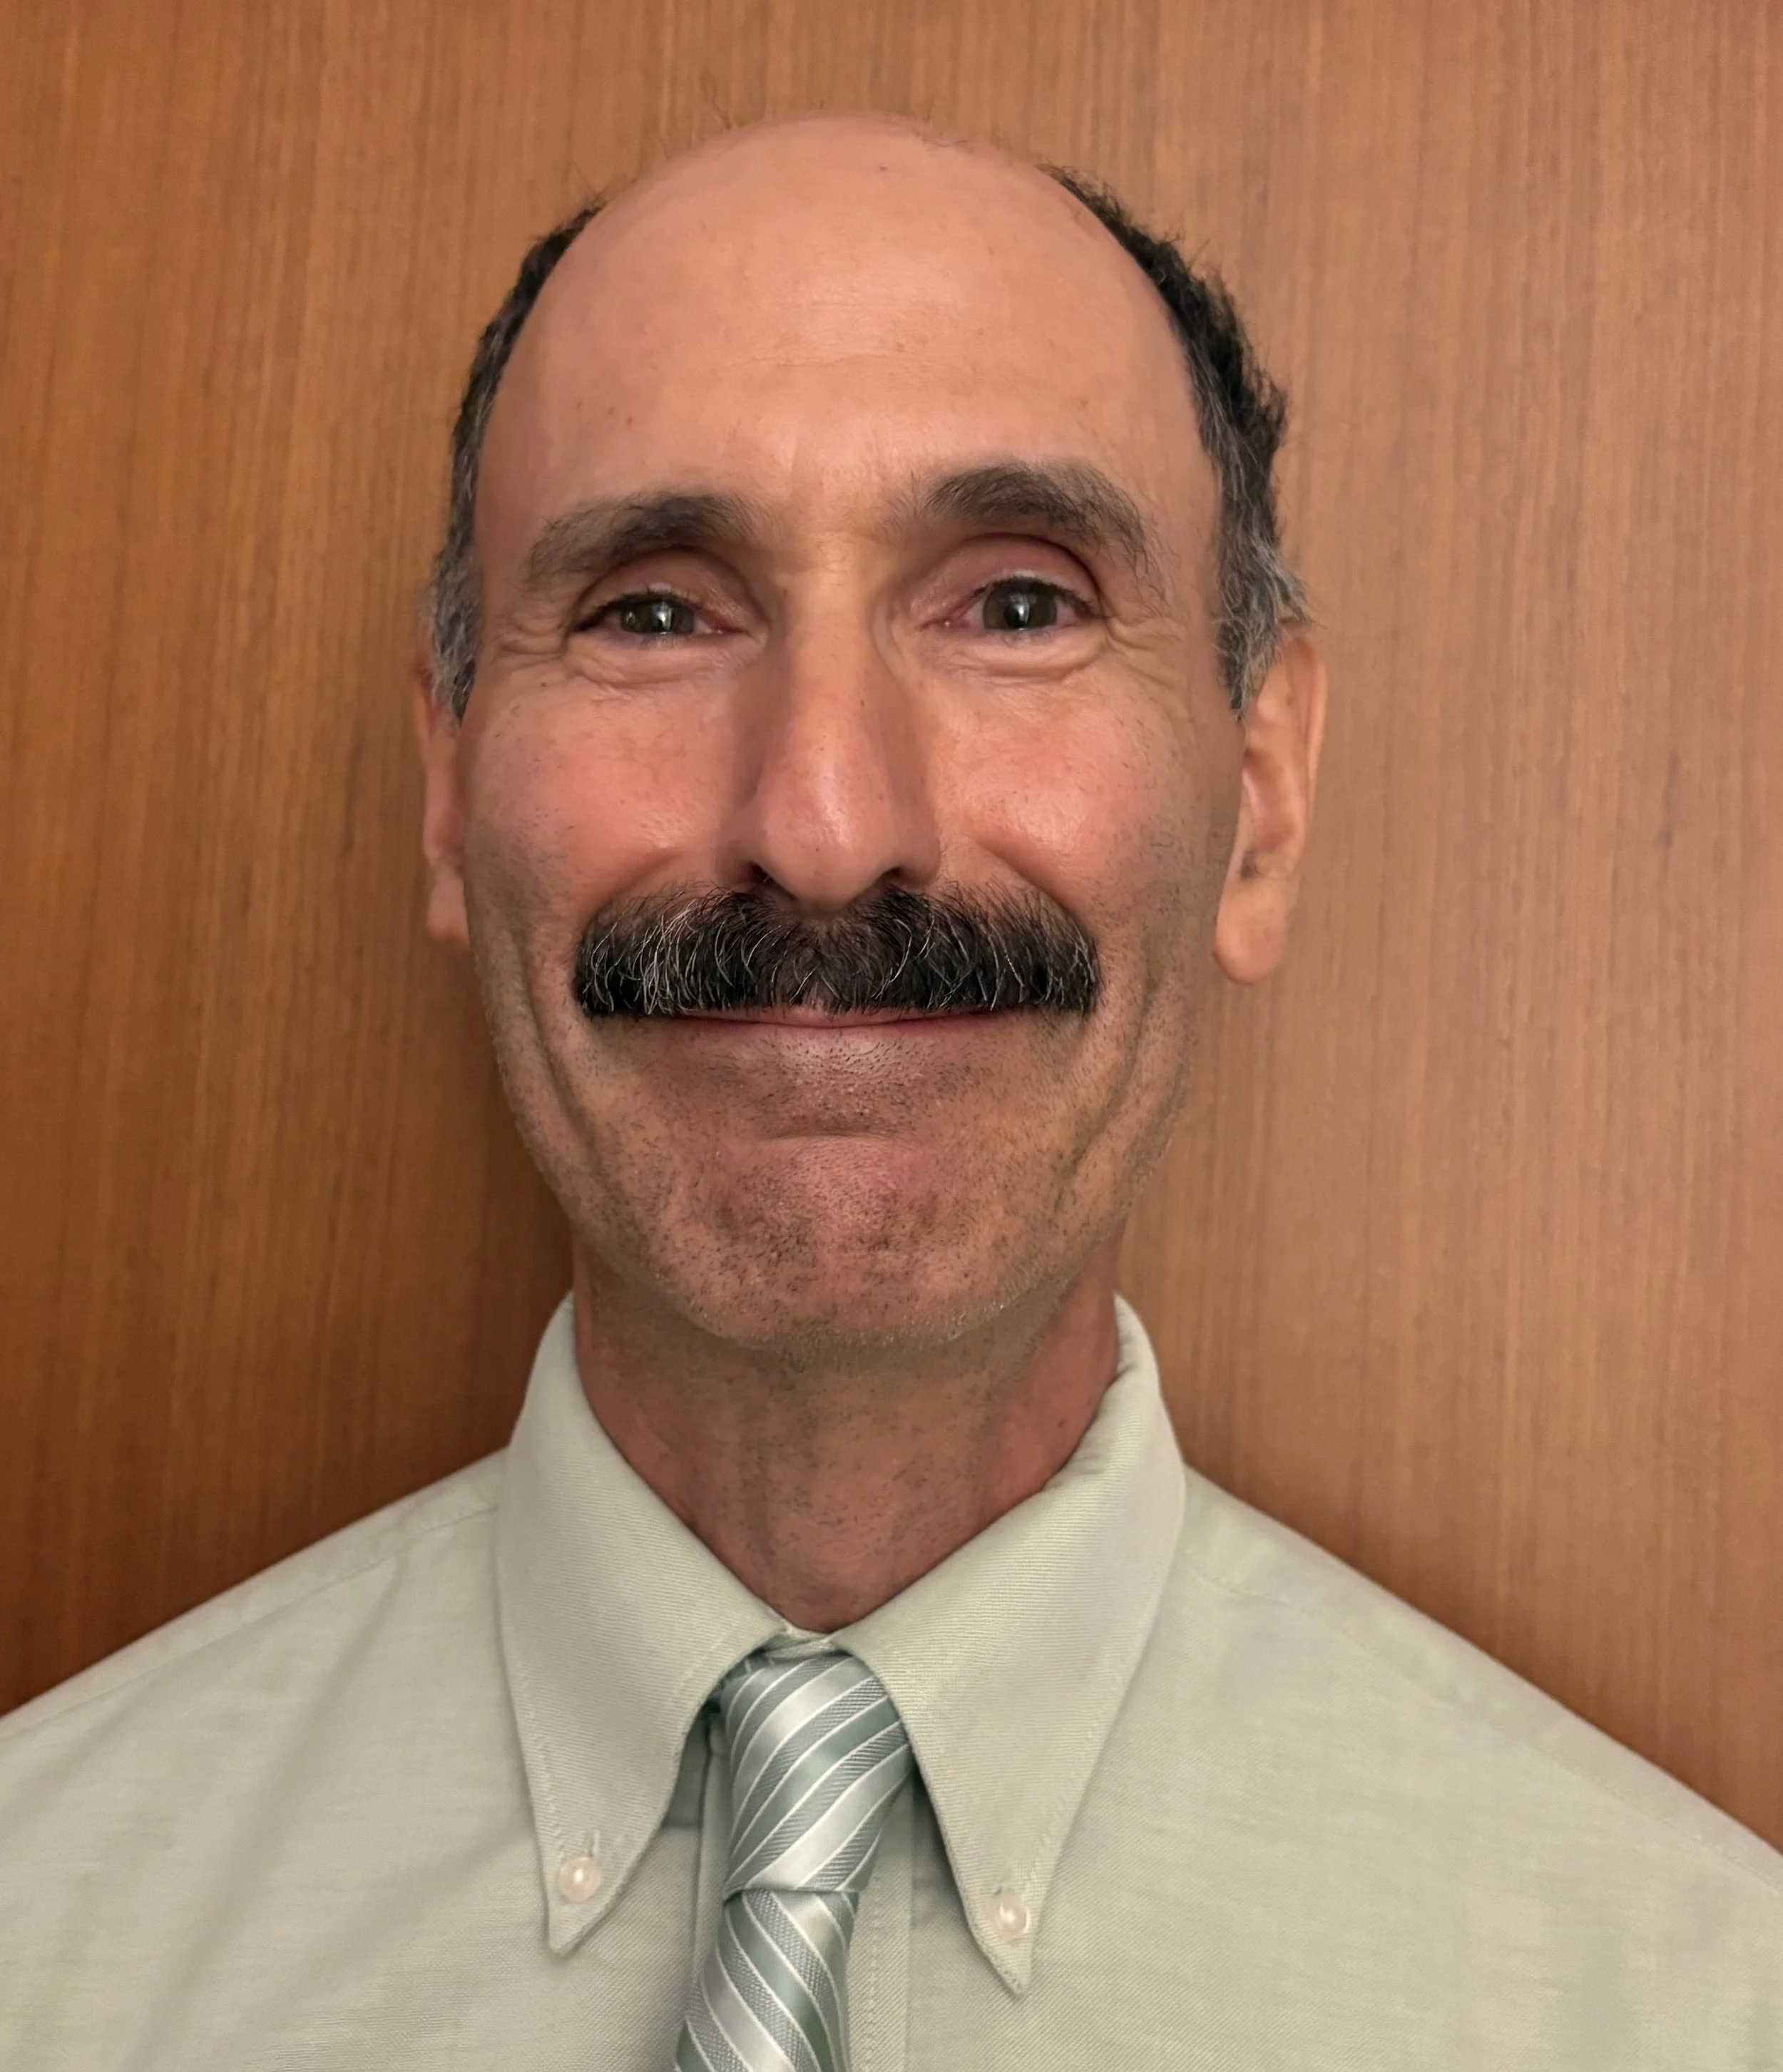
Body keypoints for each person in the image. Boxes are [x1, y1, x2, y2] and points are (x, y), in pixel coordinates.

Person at [0, 113, 1776, 2072]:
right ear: (447, 787)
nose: (828, 827)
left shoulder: (1688, 2001)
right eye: (654, 610)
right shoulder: (47, 1936)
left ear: (1260, 793)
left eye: (1017, 605)